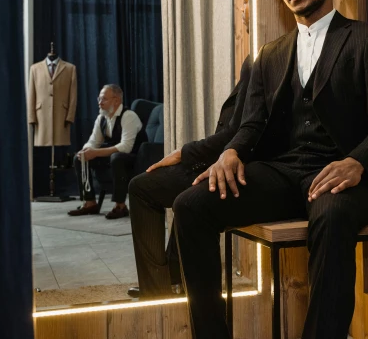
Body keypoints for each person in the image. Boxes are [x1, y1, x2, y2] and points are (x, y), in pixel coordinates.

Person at [172, 0, 368, 339]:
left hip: (342, 172)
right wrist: (230, 151)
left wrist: (358, 162)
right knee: (191, 205)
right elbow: (253, 122)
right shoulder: (272, 52)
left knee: (332, 216)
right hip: (284, 171)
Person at [127, 55, 252, 298]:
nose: (244, 14)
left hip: (238, 165)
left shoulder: (261, 58)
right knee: (156, 187)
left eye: (246, 12)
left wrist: (185, 152)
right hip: (219, 159)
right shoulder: (256, 57)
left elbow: (239, 131)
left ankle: (157, 290)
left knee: (141, 189)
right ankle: (171, 280)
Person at [68, 84, 142, 220]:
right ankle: (90, 202)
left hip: (135, 158)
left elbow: (126, 147)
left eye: (104, 99)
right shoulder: (101, 118)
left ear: (116, 100)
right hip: (114, 156)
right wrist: (86, 150)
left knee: (117, 157)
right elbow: (93, 141)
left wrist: (95, 152)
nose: (100, 103)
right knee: (79, 158)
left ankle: (120, 206)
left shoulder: (129, 116)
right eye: (99, 99)